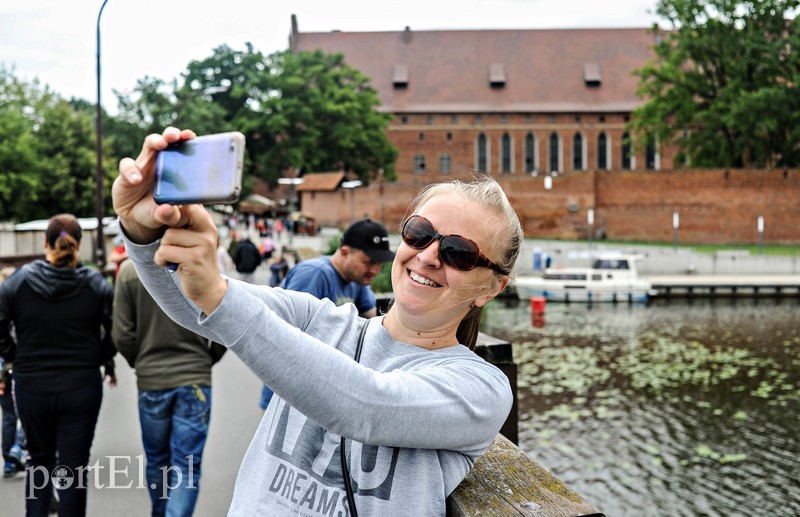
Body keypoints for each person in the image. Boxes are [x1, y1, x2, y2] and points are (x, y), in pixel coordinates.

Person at [112, 127, 521, 516]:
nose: (428, 256)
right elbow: (194, 308)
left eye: (459, 253)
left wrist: (217, 294)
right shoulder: (319, 319)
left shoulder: (481, 387)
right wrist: (141, 231)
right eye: (419, 233)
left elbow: (366, 406)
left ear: (491, 288)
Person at [0, 214, 116, 516]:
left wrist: (15, 355)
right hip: (81, 386)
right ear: (79, 243)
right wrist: (97, 357)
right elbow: (117, 331)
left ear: (45, 243)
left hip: (31, 386)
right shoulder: (95, 285)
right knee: (74, 469)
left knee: (38, 462)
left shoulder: (18, 283)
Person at [112, 259, 226, 517]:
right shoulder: (199, 264)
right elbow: (223, 321)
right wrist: (206, 359)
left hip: (152, 378)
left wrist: (141, 363)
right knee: (187, 465)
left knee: (157, 461)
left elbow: (121, 334)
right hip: (195, 376)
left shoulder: (129, 271)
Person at [258, 217, 395, 409]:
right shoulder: (314, 275)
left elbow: (374, 325)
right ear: (345, 252)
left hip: (321, 392)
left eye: (380, 263)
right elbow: (287, 336)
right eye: (369, 262)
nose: (375, 270)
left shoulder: (358, 280)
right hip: (288, 393)